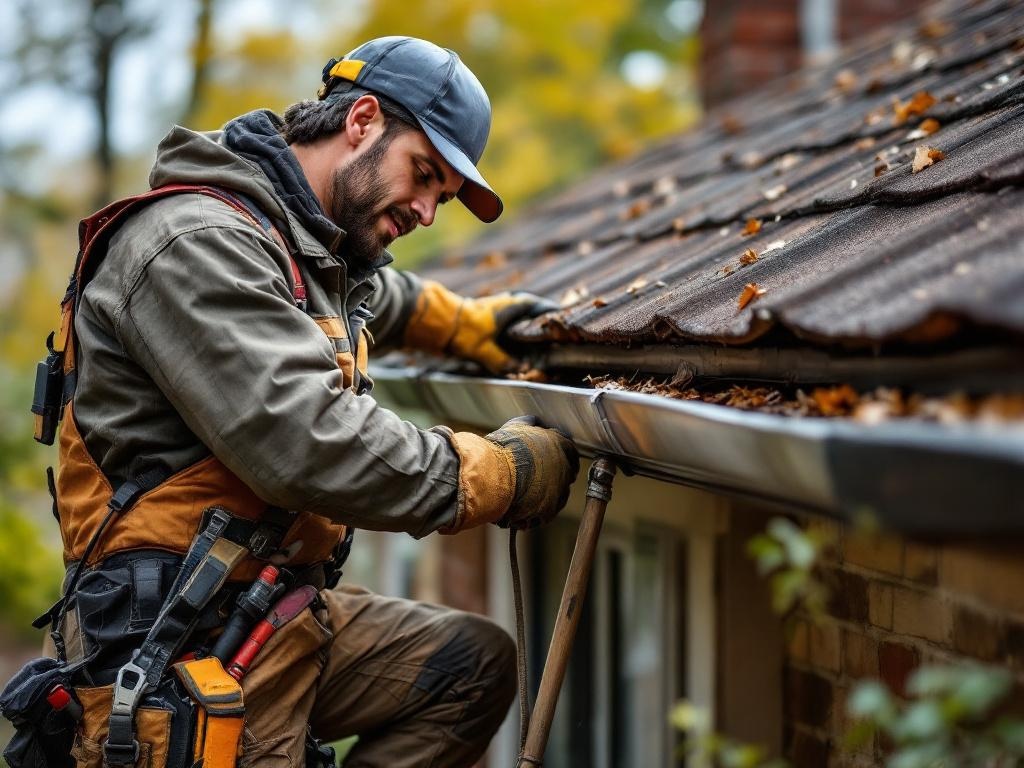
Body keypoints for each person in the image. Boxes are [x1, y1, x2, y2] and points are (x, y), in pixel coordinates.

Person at [48, 35, 579, 768]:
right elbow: (307, 441)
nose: (427, 211)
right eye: (422, 174)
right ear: (360, 120)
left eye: (442, 198)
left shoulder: (304, 250)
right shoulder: (192, 244)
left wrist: (465, 324)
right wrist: (501, 474)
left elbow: (370, 297)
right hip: (178, 647)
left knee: (470, 667)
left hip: (269, 613)